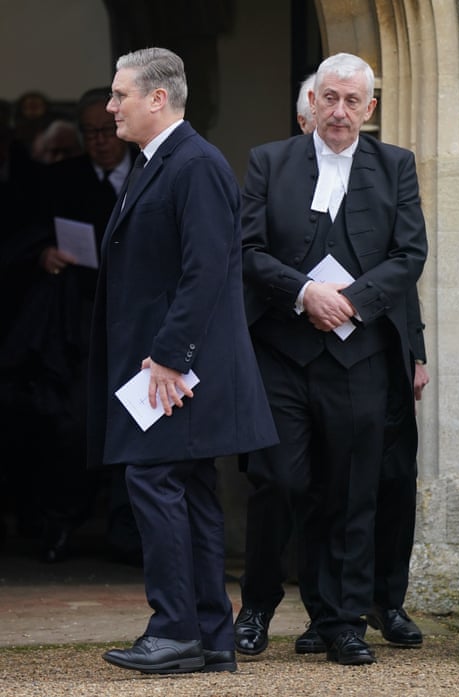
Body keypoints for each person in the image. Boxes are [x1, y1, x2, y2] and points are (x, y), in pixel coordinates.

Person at [87, 46, 278, 675]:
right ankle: (211, 635)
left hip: (175, 372)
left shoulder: (194, 164)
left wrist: (169, 358)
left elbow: (205, 271)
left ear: (158, 98)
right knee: (188, 490)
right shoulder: (160, 160)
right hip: (168, 368)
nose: (111, 106)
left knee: (153, 480)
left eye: (120, 95)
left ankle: (174, 631)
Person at [238, 52, 427, 665]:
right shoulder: (270, 160)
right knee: (277, 480)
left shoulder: (396, 165)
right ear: (312, 102)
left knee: (352, 491)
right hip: (283, 353)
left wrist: (350, 302)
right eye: (330, 98)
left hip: (360, 354)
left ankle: (342, 620)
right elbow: (247, 249)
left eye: (352, 101)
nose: (339, 111)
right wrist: (303, 293)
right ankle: (257, 607)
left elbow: (409, 254)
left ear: (369, 110)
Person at [0, 88, 138, 564]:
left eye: (107, 130)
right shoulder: (59, 180)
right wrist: (43, 254)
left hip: (139, 323)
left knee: (141, 423)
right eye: (90, 132)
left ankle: (129, 534)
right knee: (73, 426)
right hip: (76, 324)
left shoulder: (151, 174)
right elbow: (21, 238)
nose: (100, 141)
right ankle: (60, 524)